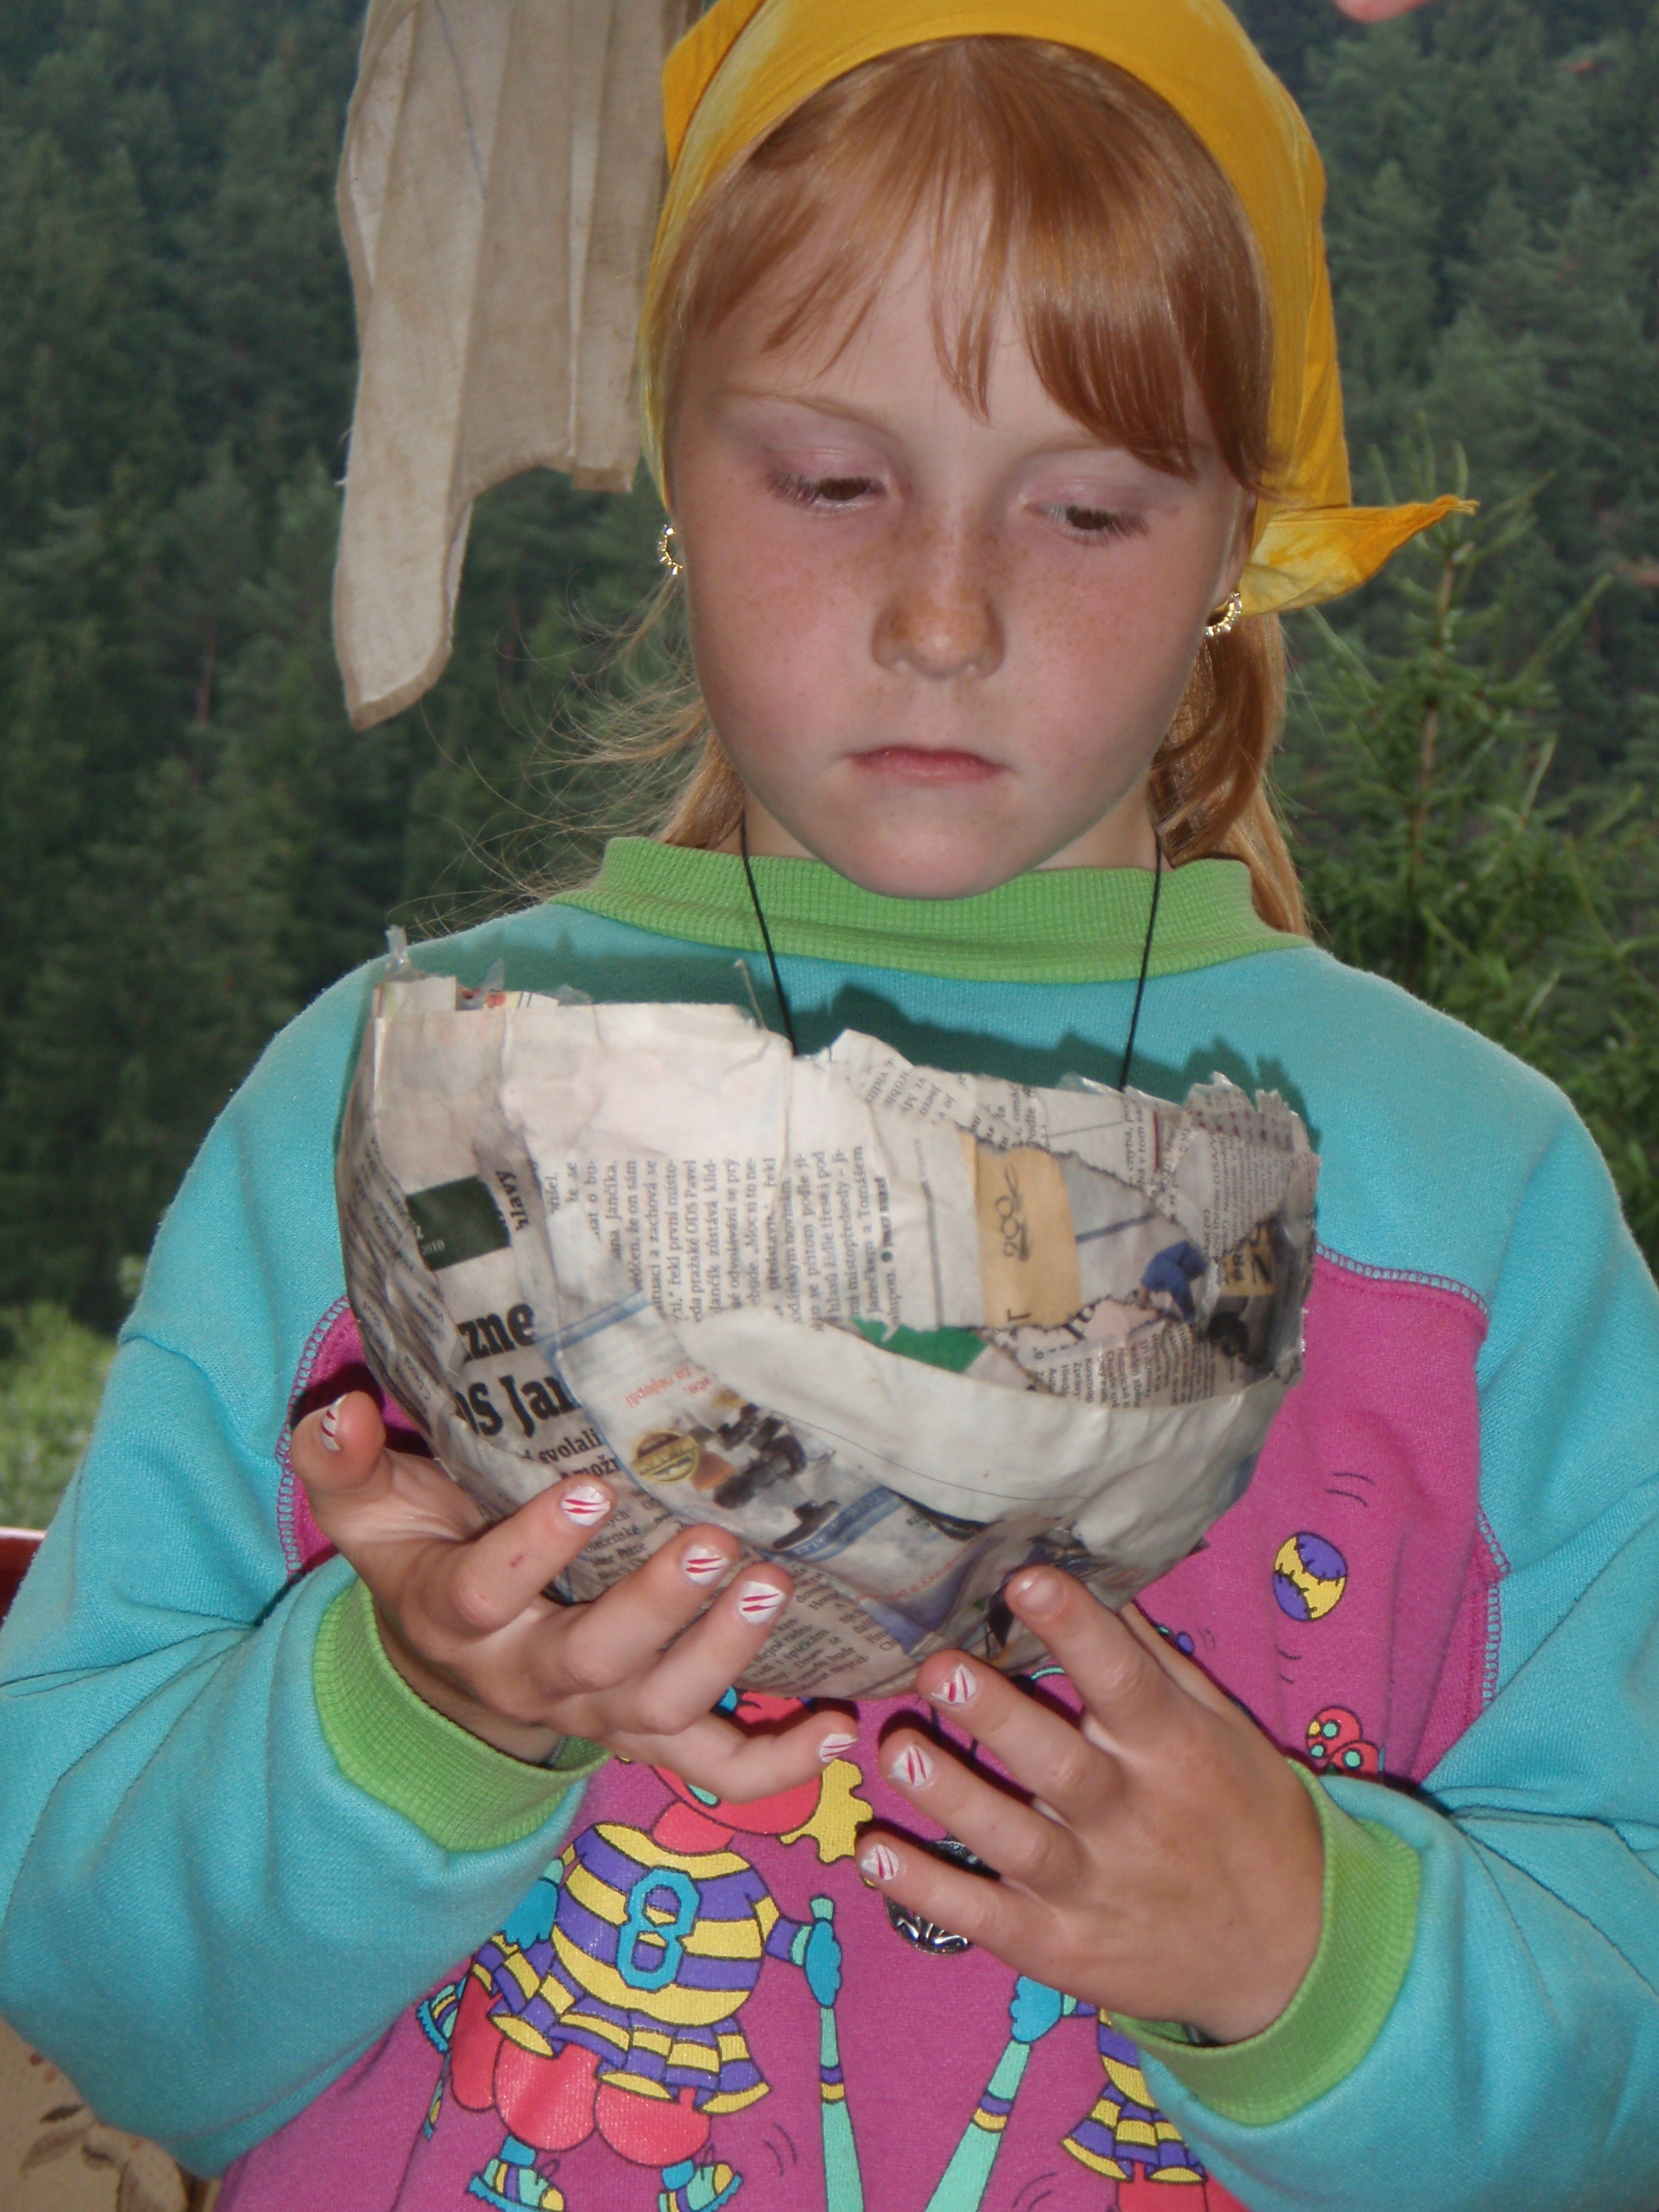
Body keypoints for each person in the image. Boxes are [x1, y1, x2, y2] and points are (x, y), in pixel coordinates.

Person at [2, 3, 1658, 2209]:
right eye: (831, 481)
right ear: (675, 468)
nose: (943, 611)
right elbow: (89, 1980)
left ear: (1235, 540)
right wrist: (416, 1717)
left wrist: (1309, 1956)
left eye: (1088, 506)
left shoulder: (1476, 1211)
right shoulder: (380, 1121)